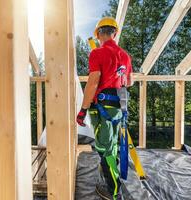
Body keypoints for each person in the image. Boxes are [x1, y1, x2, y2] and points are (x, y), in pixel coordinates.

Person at [76, 17, 133, 200]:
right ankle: (112, 178)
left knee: (104, 148)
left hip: (101, 108)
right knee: (113, 145)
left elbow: (93, 83)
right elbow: (129, 82)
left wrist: (83, 110)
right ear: (114, 33)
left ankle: (113, 190)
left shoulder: (97, 53)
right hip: (117, 108)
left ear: (99, 34)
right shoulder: (125, 56)